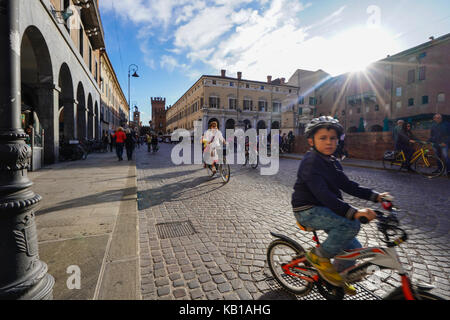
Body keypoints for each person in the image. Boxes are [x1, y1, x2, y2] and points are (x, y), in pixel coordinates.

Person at [291, 116, 391, 295]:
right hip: (307, 210)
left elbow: (348, 185)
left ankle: (335, 279)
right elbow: (324, 194)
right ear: (311, 141)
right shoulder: (311, 161)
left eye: (333, 138)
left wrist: (375, 196)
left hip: (326, 210)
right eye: (323, 138)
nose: (329, 142)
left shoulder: (333, 161)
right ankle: (317, 256)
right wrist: (353, 212)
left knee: (353, 249)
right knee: (350, 223)